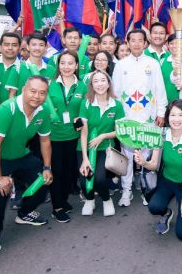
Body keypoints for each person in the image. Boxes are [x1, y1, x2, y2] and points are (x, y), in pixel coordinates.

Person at [0, 76, 54, 231]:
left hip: (20, 154)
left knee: (44, 180)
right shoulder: (8, 108)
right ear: (23, 90)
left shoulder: (44, 111)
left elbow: (45, 141)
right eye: (33, 91)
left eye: (42, 93)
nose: (37, 96)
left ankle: (25, 212)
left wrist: (47, 167)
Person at [112, 29, 167, 206]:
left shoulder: (153, 63)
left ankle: (147, 190)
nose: (136, 43)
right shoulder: (121, 65)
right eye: (132, 40)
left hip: (148, 118)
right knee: (127, 157)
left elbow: (160, 90)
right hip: (127, 119)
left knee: (147, 155)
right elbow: (116, 93)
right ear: (127, 43)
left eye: (140, 40)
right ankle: (126, 191)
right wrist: (118, 119)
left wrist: (160, 113)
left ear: (145, 43)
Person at [135, 100, 182, 240]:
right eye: (172, 115)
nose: (176, 119)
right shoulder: (161, 135)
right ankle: (167, 213)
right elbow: (153, 165)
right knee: (154, 207)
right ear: (167, 117)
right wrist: (143, 162)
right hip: (168, 180)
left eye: (180, 115)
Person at [47, 51, 87, 222]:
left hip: (74, 136)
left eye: (70, 63)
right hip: (53, 136)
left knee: (69, 172)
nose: (66, 67)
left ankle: (63, 200)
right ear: (58, 65)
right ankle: (57, 207)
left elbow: (85, 110)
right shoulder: (49, 85)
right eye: (63, 63)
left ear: (77, 66)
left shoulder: (83, 86)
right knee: (56, 172)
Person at [78, 70, 124, 216]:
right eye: (96, 81)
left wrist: (103, 135)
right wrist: (85, 158)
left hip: (105, 147)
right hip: (85, 147)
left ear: (108, 83)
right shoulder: (85, 103)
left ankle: (106, 199)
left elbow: (120, 131)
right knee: (85, 178)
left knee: (99, 179)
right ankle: (89, 200)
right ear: (91, 85)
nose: (99, 84)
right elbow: (83, 132)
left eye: (103, 80)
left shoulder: (116, 104)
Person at [6, 32, 55, 97]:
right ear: (28, 47)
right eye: (34, 45)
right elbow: (12, 94)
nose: (37, 48)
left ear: (46, 47)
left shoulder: (52, 70)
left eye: (41, 45)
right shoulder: (17, 68)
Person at [144, 22, 178, 103]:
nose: (158, 36)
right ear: (149, 35)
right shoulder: (142, 56)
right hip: (148, 104)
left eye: (161, 33)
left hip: (171, 106)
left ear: (166, 36)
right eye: (155, 33)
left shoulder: (173, 57)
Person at [0, 32, 21, 105]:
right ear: (0, 47)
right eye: (7, 45)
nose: (10, 48)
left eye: (14, 45)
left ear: (19, 48)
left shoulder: (24, 68)